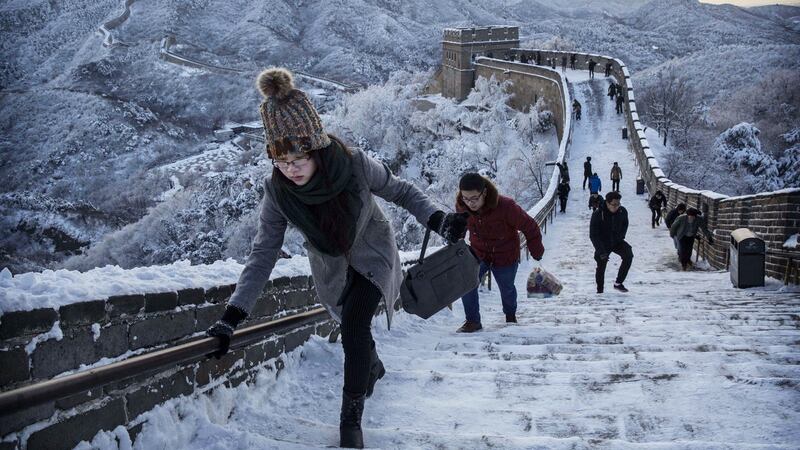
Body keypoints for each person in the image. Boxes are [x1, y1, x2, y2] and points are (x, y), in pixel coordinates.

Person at [204, 68, 467, 449]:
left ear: (317, 148)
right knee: (354, 330)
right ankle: (371, 366)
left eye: (298, 157)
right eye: (280, 159)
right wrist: (232, 315)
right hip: (332, 271)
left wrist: (438, 219)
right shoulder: (277, 192)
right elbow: (264, 252)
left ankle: (350, 421)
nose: (290, 168)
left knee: (356, 324)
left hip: (374, 255)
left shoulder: (354, 164)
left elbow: (401, 191)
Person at [455, 173, 544, 332]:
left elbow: (530, 227)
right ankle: (473, 321)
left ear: (484, 193)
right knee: (467, 283)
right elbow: (461, 227)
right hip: (479, 253)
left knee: (506, 288)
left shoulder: (506, 206)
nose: (470, 203)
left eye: (474, 198)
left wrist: (536, 252)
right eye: (466, 198)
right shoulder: (462, 206)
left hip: (505, 254)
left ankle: (510, 316)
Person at [590, 191, 633, 293]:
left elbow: (625, 225)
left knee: (628, 255)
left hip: (617, 241)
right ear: (607, 203)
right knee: (601, 263)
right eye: (614, 204)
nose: (616, 207)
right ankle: (600, 290)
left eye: (618, 204)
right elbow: (593, 235)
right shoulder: (598, 214)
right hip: (603, 243)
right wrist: (601, 251)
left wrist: (621, 236)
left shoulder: (622, 211)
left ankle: (618, 283)